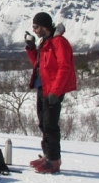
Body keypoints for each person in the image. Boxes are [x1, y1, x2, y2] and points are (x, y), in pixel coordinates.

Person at [24, 12, 77, 174]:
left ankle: (54, 160)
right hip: (43, 87)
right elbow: (40, 65)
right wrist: (32, 48)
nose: (34, 30)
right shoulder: (46, 42)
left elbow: (64, 67)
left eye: (35, 27)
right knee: (43, 123)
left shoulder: (59, 42)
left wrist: (56, 91)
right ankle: (47, 155)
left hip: (52, 89)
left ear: (44, 26)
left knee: (50, 124)